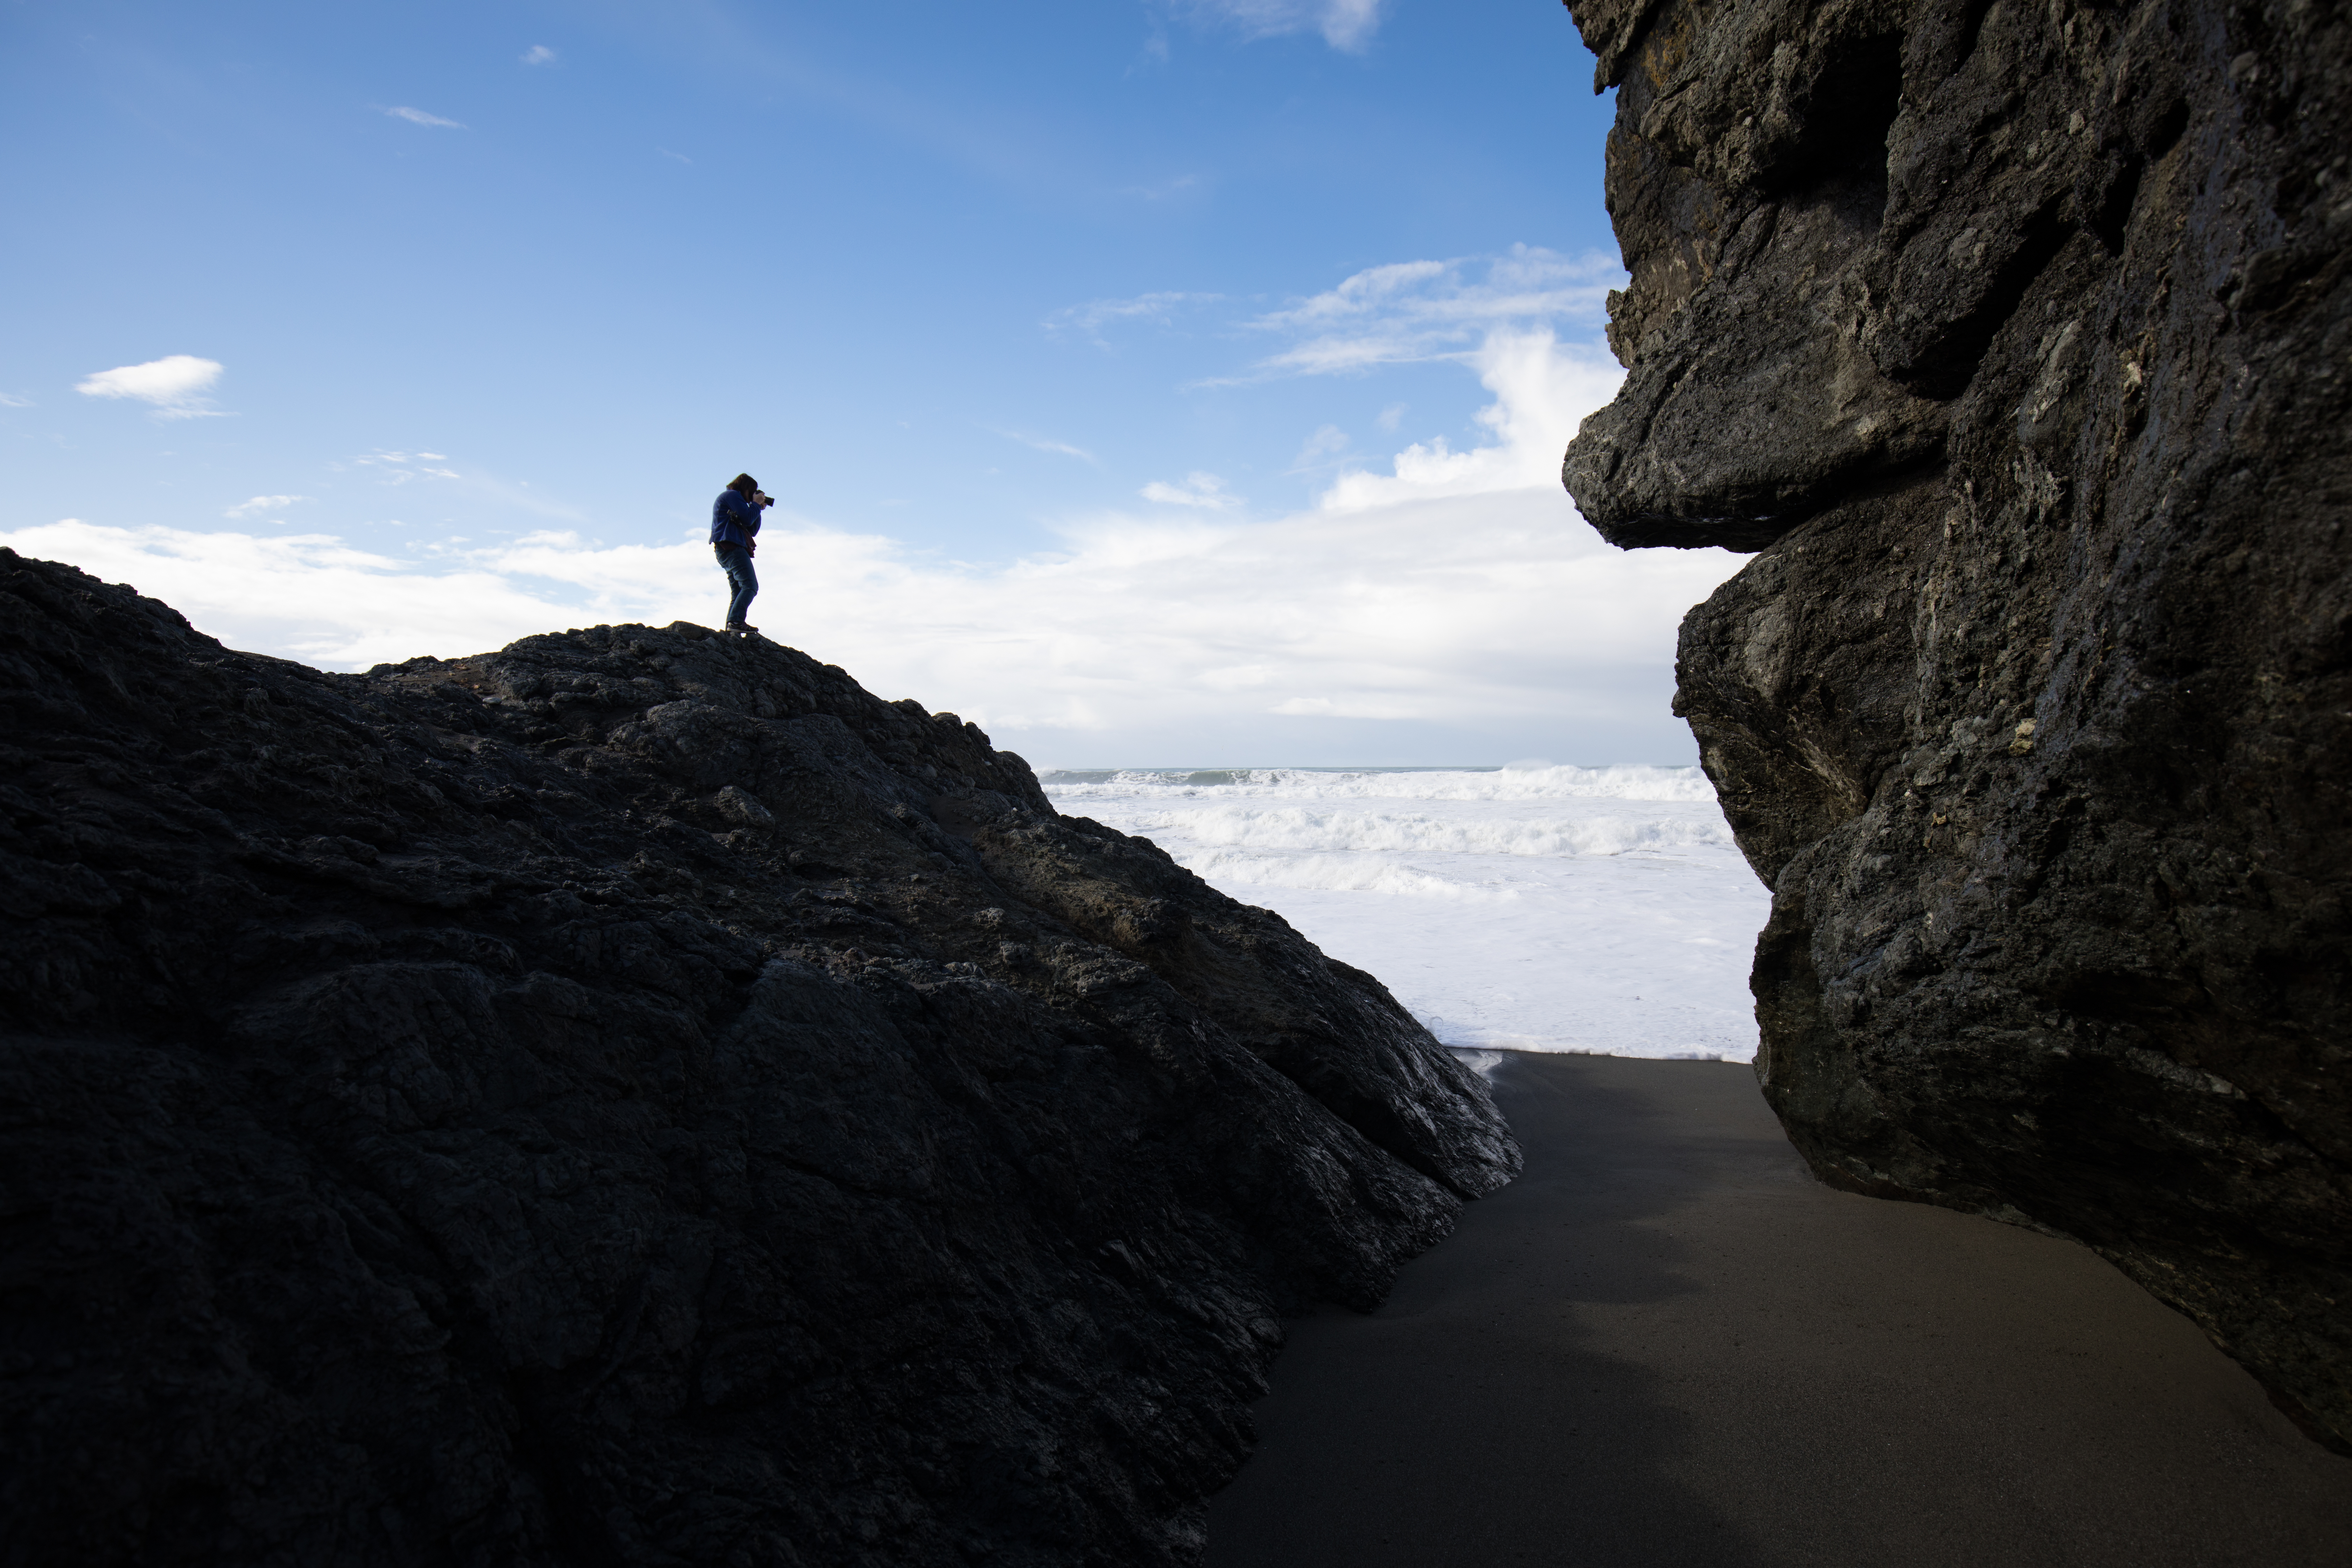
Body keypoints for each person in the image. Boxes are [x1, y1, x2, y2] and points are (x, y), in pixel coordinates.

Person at [710, 472, 772, 635]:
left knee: (738, 591)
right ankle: (737, 621)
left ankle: (731, 631)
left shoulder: (736, 500)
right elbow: (746, 519)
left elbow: (751, 529)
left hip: (727, 549)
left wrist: (758, 509)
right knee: (751, 586)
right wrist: (755, 505)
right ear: (746, 488)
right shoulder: (732, 495)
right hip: (731, 547)